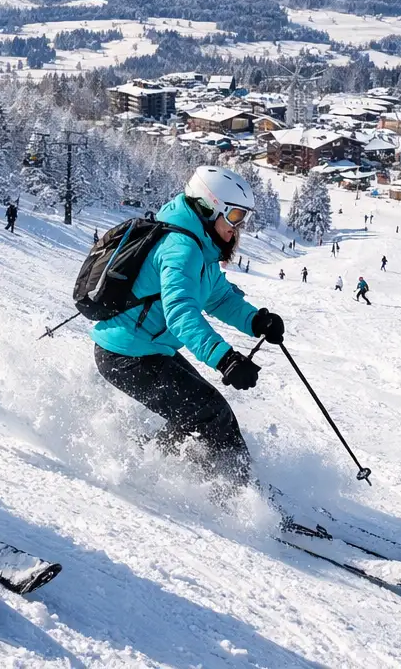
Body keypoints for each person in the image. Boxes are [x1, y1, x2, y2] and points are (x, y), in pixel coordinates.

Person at [88, 166, 282, 489]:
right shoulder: (181, 248)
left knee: (201, 410)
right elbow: (181, 313)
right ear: (209, 206)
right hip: (124, 354)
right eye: (233, 216)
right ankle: (241, 498)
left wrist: (256, 321)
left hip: (147, 348)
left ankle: (159, 461)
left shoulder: (199, 243)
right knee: (212, 412)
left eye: (242, 218)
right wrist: (226, 358)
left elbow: (218, 296)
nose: (237, 228)